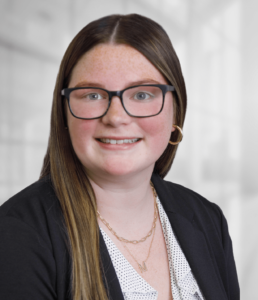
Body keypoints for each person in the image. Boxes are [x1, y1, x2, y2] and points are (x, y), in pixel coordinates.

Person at [0, 14, 239, 300]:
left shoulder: (207, 219)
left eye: (141, 95)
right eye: (92, 95)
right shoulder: (16, 235)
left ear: (176, 110)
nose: (115, 117)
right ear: (64, 111)